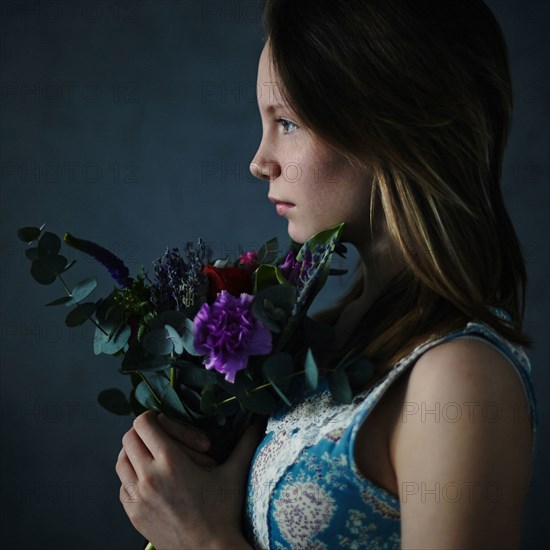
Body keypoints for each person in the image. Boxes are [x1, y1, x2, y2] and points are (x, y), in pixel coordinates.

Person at [115, 1, 538, 548]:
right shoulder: (326, 338)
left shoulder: (460, 378)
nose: (259, 160)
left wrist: (202, 539)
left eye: (286, 122)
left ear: (387, 126)